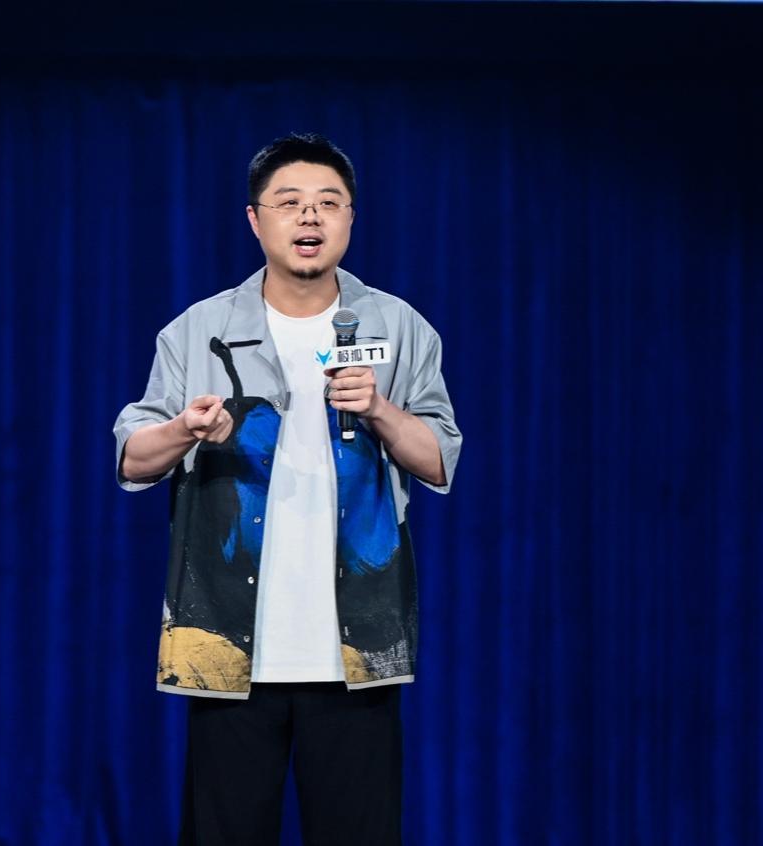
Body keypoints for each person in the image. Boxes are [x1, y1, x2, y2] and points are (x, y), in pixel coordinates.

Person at [113, 132, 460, 846]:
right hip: (228, 644)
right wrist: (185, 429)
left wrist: (380, 409)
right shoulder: (199, 329)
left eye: (328, 203)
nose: (309, 217)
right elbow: (132, 459)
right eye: (289, 202)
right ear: (254, 219)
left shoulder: (398, 326)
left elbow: (437, 460)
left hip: (357, 648)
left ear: (350, 218)